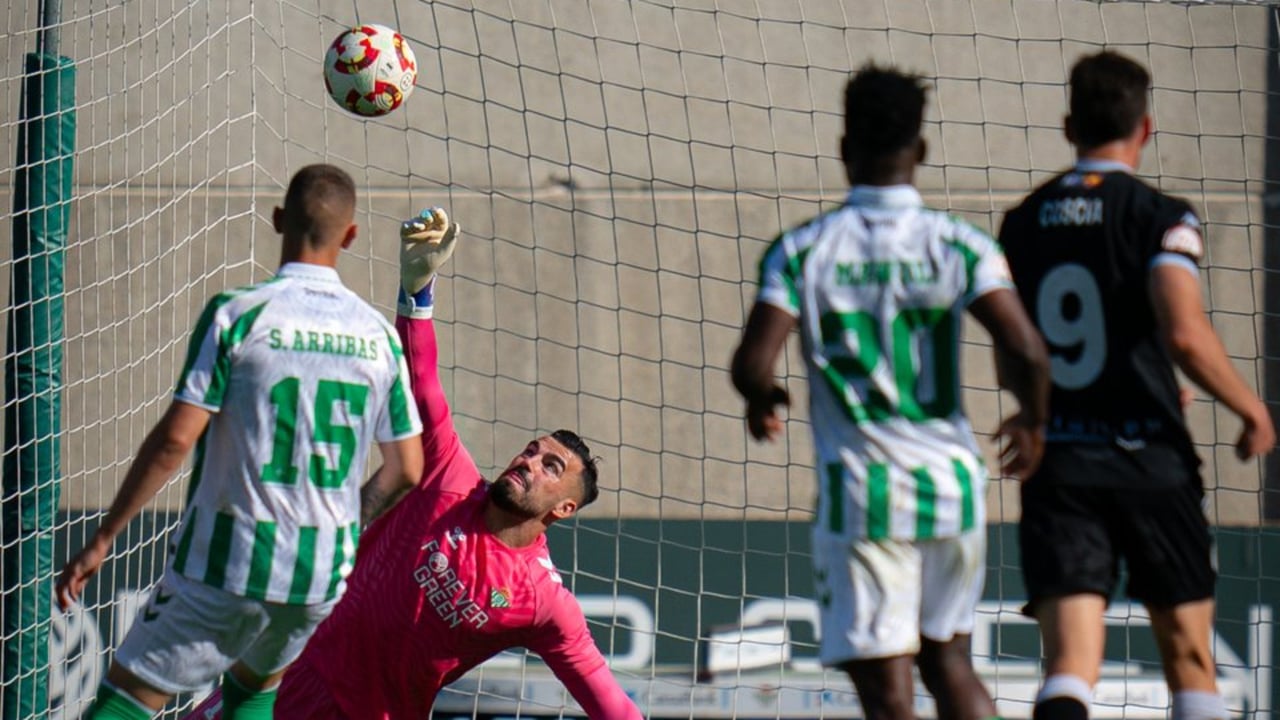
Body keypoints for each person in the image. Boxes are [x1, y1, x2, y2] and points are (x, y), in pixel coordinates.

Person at [182, 206, 643, 720]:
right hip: (291, 669)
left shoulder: (541, 599)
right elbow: (422, 383)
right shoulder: (450, 475)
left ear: (563, 509)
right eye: (532, 450)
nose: (531, 461)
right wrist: (417, 290)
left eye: (552, 467)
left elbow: (609, 702)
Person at [730, 64, 1051, 720]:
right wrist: (1032, 419)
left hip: (864, 494)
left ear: (844, 149)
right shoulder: (960, 245)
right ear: (922, 151)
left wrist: (763, 397)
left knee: (887, 694)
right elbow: (1025, 349)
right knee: (950, 662)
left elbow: (752, 361)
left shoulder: (802, 251)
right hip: (952, 484)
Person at [55, 164, 426, 720]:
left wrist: (105, 536)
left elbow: (175, 442)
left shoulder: (239, 314)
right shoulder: (377, 337)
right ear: (351, 236)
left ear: (278, 220)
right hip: (319, 569)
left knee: (126, 700)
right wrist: (347, 523)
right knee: (254, 692)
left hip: (231, 560)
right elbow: (408, 468)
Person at [997, 50, 1276, 720]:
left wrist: (1032, 417)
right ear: (1146, 128)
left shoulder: (1022, 221)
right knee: (1189, 660)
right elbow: (1182, 331)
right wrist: (1252, 409)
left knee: (1068, 669)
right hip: (1151, 455)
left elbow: (1016, 344)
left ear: (1069, 127)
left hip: (1061, 459)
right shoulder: (1162, 215)